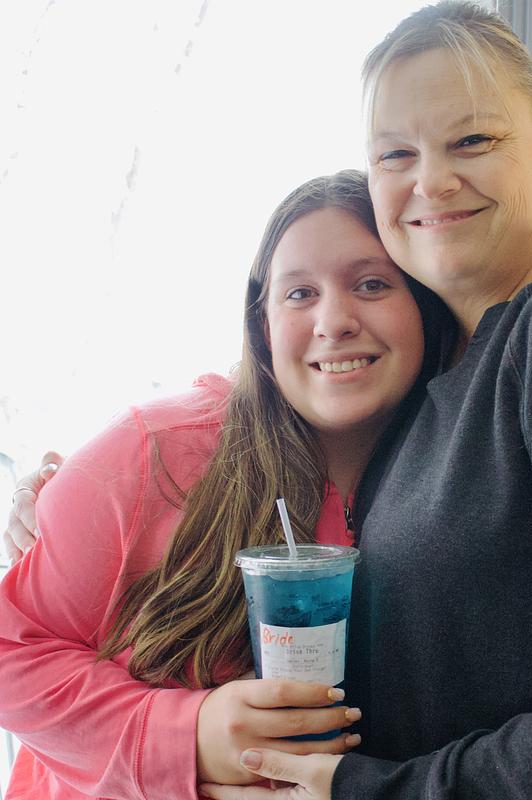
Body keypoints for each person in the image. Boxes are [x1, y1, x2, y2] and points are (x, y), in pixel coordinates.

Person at [6, 3, 532, 799]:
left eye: (474, 139)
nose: (433, 180)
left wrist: (370, 790)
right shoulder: (439, 395)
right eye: (395, 152)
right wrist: (72, 513)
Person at [0, 169, 453, 798]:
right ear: (261, 325)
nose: (334, 321)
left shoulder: (475, 474)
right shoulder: (153, 453)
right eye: (299, 294)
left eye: (372, 283)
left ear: (426, 306)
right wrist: (182, 737)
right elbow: (11, 649)